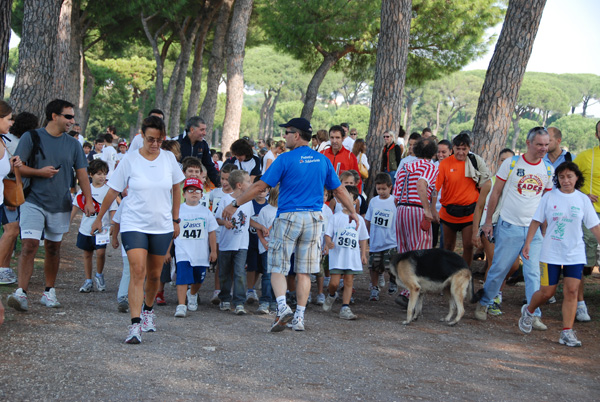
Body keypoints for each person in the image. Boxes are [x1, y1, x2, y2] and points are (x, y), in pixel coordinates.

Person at [221, 117, 357, 333]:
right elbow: (340, 190)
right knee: (304, 271)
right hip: (313, 218)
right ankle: (299, 318)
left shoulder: (284, 159)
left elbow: (259, 186)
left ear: (297, 135)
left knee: (277, 267)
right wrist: (353, 212)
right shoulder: (322, 160)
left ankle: (283, 306)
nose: (284, 137)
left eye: (287, 132)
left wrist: (235, 203)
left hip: (289, 216)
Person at [91, 115, 184, 344]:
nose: (154, 144)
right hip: (134, 223)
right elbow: (113, 191)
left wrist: (175, 220)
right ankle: (134, 325)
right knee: (137, 270)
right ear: (142, 136)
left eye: (159, 140)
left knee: (154, 274)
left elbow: (176, 189)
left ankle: (148, 311)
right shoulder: (130, 160)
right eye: (150, 139)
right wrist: (100, 218)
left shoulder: (169, 159)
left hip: (161, 224)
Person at [8, 99, 94, 311]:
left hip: (60, 203)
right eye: (68, 116)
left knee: (53, 248)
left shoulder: (73, 144)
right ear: (54, 116)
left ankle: (49, 291)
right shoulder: (32, 137)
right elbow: (17, 167)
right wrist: (40, 172)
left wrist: (89, 200)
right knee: (29, 245)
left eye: (73, 117)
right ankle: (21, 293)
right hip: (33, 200)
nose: (72, 121)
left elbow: (82, 174)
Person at [476, 127, 554, 327]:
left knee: (533, 272)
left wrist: (544, 230)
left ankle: (533, 313)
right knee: (499, 268)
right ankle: (484, 302)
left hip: (533, 231)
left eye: (546, 144)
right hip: (509, 226)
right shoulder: (511, 164)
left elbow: (545, 202)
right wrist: (487, 222)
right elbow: (495, 193)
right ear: (528, 143)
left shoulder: (548, 169)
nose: (543, 149)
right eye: (539, 144)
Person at [519, 162, 600, 347]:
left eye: (569, 176)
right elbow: (536, 220)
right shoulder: (549, 197)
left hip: (575, 253)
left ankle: (566, 332)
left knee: (571, 291)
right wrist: (528, 243)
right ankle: (529, 311)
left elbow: (594, 226)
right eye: (562, 177)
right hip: (551, 253)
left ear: (576, 178)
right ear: (557, 179)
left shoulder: (582, 200)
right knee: (547, 292)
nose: (566, 180)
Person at [393, 137, 439, 305]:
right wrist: (427, 210)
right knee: (420, 252)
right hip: (417, 209)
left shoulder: (406, 165)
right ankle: (410, 293)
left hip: (401, 209)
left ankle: (405, 289)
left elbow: (396, 193)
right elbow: (422, 185)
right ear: (433, 153)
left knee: (404, 251)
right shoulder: (430, 167)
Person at [472, 148, 518, 315]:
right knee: (494, 263)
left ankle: (494, 290)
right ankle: (490, 299)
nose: (506, 163)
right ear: (498, 162)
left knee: (512, 265)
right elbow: (478, 207)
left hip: (511, 228)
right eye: (503, 160)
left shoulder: (516, 186)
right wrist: (475, 231)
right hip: (489, 228)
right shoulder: (490, 183)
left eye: (510, 160)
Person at [435, 131, 491, 267]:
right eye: (457, 149)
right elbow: (435, 188)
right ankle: (446, 274)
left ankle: (465, 274)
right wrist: (431, 209)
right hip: (448, 212)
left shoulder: (475, 161)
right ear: (452, 148)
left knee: (468, 245)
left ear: (469, 148)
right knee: (447, 246)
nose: (460, 152)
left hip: (469, 212)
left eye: (464, 149)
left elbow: (487, 181)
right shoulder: (445, 164)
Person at [215, 170, 266, 315]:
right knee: (224, 272)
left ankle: (239, 302)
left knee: (239, 272)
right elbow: (217, 219)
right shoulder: (225, 200)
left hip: (242, 244)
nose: (251, 184)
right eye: (248, 182)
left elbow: (248, 220)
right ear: (239, 185)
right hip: (226, 243)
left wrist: (260, 227)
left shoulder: (248, 202)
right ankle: (224, 298)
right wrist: (224, 223)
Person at [0, 110, 37, 285]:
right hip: (7, 194)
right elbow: (9, 174)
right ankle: (2, 268)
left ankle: (4, 269)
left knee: (12, 231)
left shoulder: (7, 140)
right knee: (12, 231)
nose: (11, 123)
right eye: (8, 119)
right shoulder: (14, 142)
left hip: (5, 193)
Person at [173, 177, 218, 318]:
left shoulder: (206, 212)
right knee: (182, 278)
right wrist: (167, 251)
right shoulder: (178, 211)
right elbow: (171, 231)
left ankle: (192, 294)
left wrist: (214, 251)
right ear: (183, 194)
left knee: (199, 278)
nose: (193, 193)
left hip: (200, 252)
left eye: (197, 191)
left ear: (201, 194)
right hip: (183, 250)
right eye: (190, 190)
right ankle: (181, 305)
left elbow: (211, 232)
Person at [70, 159, 117, 292]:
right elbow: (75, 206)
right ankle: (88, 280)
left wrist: (113, 224)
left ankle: (99, 275)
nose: (102, 177)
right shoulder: (85, 189)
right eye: (98, 174)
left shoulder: (109, 191)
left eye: (104, 174)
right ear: (91, 174)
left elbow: (113, 209)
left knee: (101, 253)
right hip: (86, 228)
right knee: (87, 254)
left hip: (103, 229)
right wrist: (68, 223)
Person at [322, 185, 369, 320]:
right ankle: (331, 295)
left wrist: (363, 254)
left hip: (351, 257)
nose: (344, 201)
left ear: (355, 201)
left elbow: (363, 237)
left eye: (349, 198)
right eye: (342, 198)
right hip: (337, 256)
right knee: (334, 283)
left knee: (349, 281)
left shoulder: (358, 219)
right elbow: (328, 234)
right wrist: (328, 242)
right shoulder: (335, 217)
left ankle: (345, 307)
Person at [571, 121, 600, 321]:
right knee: (581, 261)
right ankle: (580, 304)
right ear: (597, 135)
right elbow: (567, 180)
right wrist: (581, 194)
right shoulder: (586, 156)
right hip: (590, 216)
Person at [365, 173, 398, 302]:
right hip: (376, 241)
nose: (381, 191)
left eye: (384, 189)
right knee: (374, 265)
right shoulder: (373, 201)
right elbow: (368, 219)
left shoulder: (395, 201)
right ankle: (374, 287)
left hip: (391, 240)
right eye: (379, 189)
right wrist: (367, 235)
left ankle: (393, 281)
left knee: (391, 265)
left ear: (390, 187)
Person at [176, 116, 220, 186]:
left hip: (195, 186)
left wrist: (221, 185)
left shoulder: (204, 144)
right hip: (177, 186)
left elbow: (210, 167)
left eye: (205, 130)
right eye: (202, 130)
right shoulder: (177, 141)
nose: (205, 133)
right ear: (192, 130)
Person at [245, 175, 269, 304]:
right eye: (260, 189)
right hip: (252, 240)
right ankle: (250, 289)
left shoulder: (269, 205)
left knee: (261, 267)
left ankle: (253, 287)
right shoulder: (249, 203)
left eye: (265, 189)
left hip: (264, 242)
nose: (262, 192)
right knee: (251, 266)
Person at [255, 185, 279, 314]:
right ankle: (265, 301)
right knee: (267, 275)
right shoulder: (266, 210)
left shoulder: (286, 209)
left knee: (279, 275)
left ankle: (276, 301)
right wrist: (264, 242)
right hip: (267, 247)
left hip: (281, 249)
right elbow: (260, 228)